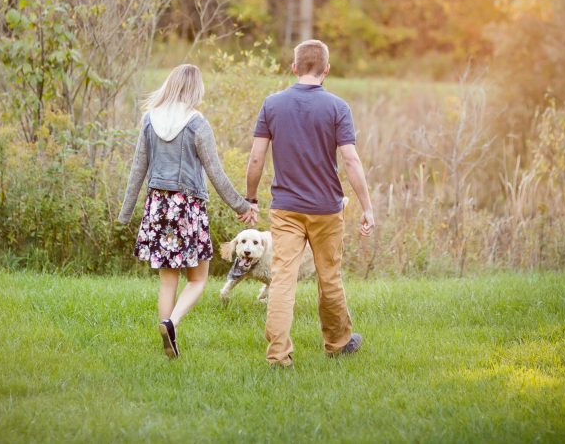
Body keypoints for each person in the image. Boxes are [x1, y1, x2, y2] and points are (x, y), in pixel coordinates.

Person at [246, 39, 375, 367]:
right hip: (326, 210)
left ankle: (278, 355)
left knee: (282, 277)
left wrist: (250, 198)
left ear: (294, 68)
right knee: (329, 276)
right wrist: (368, 206)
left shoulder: (272, 104)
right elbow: (351, 160)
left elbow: (256, 159)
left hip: (285, 208)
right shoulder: (337, 107)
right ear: (326, 69)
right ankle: (337, 343)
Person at [117, 64, 259, 359]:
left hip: (158, 207)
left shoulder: (148, 120)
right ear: (195, 89)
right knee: (197, 280)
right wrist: (242, 206)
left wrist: (125, 213)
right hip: (187, 209)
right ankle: (172, 323)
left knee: (168, 281)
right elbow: (216, 173)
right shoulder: (197, 123)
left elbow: (137, 171)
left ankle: (167, 337)